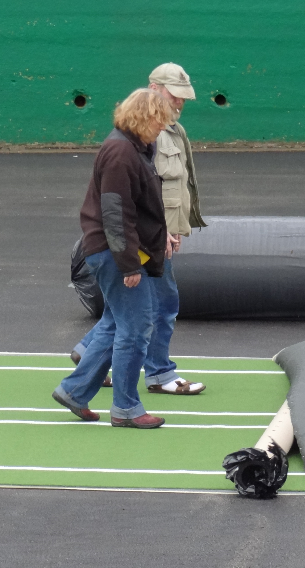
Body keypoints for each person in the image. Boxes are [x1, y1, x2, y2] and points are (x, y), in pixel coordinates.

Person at [70, 63, 208, 395]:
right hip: (147, 240)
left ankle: (88, 356)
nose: (179, 104)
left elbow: (173, 185)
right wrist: (157, 237)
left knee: (135, 309)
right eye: (175, 96)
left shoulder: (169, 128)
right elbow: (134, 199)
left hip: (156, 234)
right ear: (155, 88)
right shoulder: (144, 135)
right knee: (157, 306)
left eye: (183, 98)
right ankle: (158, 373)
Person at [52, 88, 174, 428]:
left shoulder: (133, 146)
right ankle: (126, 408)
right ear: (144, 118)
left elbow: (138, 208)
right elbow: (116, 214)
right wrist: (129, 264)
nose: (162, 128)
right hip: (113, 253)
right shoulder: (121, 152)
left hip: (116, 251)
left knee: (120, 324)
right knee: (135, 328)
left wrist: (159, 239)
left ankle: (74, 390)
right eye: (159, 121)